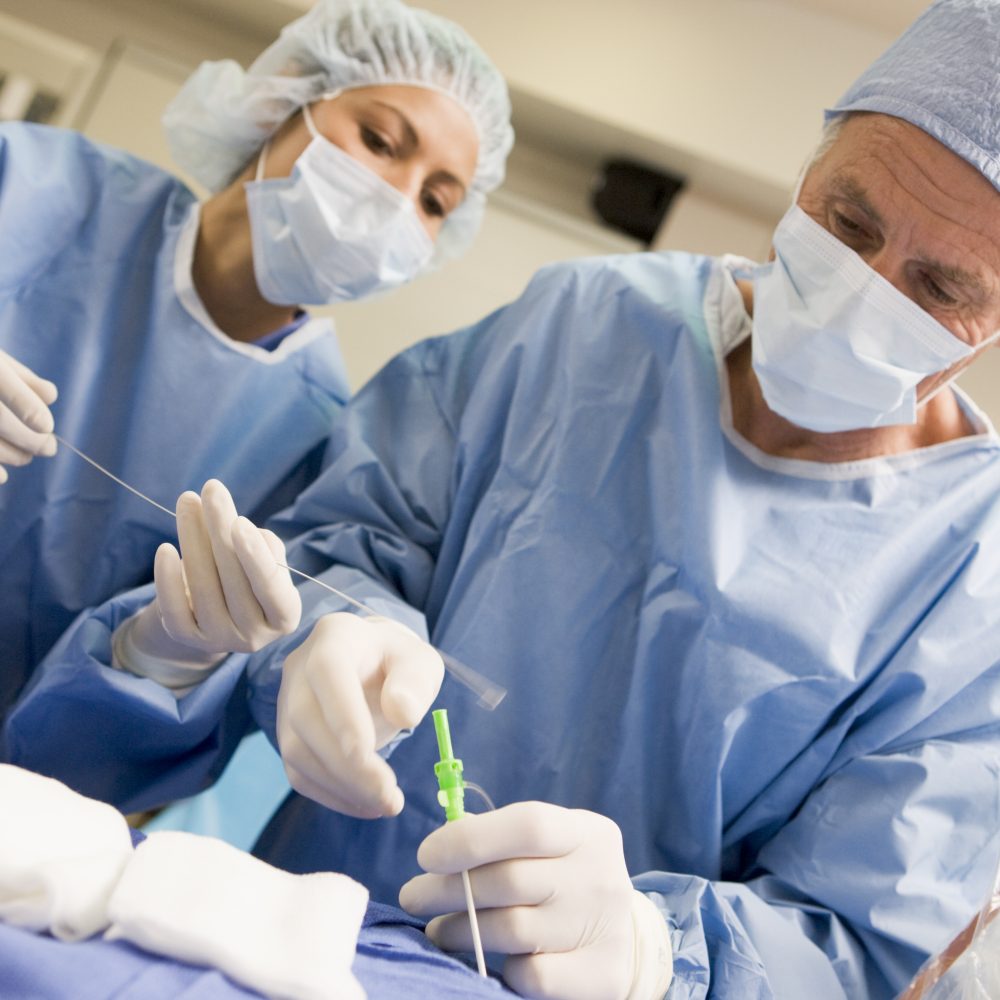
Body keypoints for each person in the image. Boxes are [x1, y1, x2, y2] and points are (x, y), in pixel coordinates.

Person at [8, 0, 1000, 996]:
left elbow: (860, 940)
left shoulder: (972, 584)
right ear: (807, 171)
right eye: (849, 220)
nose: (861, 287)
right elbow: (348, 536)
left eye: (941, 285)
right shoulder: (586, 322)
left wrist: (657, 952)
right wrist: (339, 630)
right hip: (299, 949)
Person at [0, 0, 513, 723]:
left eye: (435, 200)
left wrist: (159, 663)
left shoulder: (319, 442)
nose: (396, 202)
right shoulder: (35, 187)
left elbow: (150, 747)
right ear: (285, 101)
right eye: (379, 140)